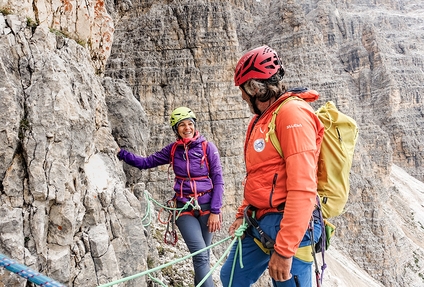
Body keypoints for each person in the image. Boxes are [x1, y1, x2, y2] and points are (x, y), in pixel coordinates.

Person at [220, 45, 324, 287]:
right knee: (231, 277)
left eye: (244, 90)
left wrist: (286, 250)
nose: (243, 97)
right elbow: (260, 175)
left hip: (289, 225)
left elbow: (303, 187)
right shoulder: (260, 121)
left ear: (255, 88)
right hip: (259, 220)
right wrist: (242, 214)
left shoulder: (292, 115)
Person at [117, 107, 224, 287]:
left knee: (202, 259)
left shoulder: (207, 147)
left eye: (190, 124)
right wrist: (120, 153)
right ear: (176, 129)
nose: (187, 128)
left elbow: (218, 180)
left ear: (195, 126)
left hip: (207, 208)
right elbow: (146, 163)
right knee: (200, 255)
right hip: (184, 209)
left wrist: (215, 211)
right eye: (182, 125)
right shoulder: (173, 150)